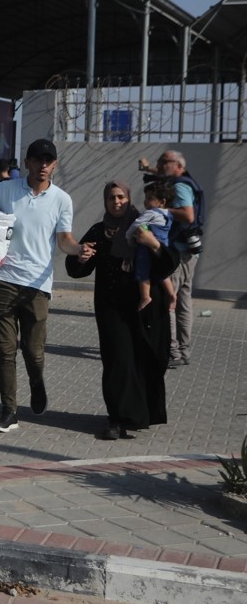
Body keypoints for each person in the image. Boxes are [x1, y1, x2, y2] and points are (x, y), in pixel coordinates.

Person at [0, 138, 87, 433]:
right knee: (6, 349)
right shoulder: (6, 190)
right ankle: (9, 410)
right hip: (4, 281)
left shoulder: (62, 200)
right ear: (26, 162)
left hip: (38, 285)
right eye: (37, 159)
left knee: (33, 350)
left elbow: (64, 239)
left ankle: (37, 382)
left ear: (55, 165)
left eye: (48, 160)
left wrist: (78, 250)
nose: (42, 165)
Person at [65, 181, 177, 440]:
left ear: (128, 199)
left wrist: (153, 244)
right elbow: (77, 268)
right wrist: (80, 257)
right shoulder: (98, 231)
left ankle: (141, 414)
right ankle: (117, 418)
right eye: (111, 198)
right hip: (112, 307)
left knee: (149, 360)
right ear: (105, 202)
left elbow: (169, 264)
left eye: (121, 197)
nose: (116, 202)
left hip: (147, 306)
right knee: (118, 361)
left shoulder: (146, 224)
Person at [147, 149, 202, 368]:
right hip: (188, 252)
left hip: (178, 254)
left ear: (178, 166)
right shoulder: (185, 183)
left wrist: (161, 210)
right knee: (184, 302)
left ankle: (172, 352)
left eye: (164, 161)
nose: (160, 164)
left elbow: (188, 215)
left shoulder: (180, 186)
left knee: (169, 300)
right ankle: (184, 350)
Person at [126, 180, 176, 312]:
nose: (146, 201)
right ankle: (172, 294)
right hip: (162, 246)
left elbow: (136, 224)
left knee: (143, 271)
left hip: (146, 248)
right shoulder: (168, 215)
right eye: (145, 198)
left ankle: (145, 296)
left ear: (162, 202)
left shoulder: (151, 213)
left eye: (150, 198)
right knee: (163, 274)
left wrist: (128, 237)